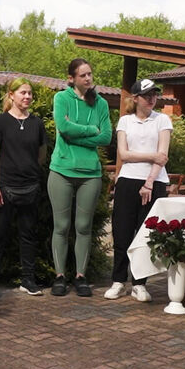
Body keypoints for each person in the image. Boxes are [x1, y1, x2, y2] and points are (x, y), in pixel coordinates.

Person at [48, 58, 112, 297]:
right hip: (61, 171)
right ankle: (60, 276)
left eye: (90, 74)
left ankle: (80, 277)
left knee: (84, 227)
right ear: (71, 79)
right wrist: (90, 131)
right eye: (83, 75)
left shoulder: (102, 104)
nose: (88, 78)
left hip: (91, 175)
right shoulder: (61, 99)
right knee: (61, 227)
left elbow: (106, 137)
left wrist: (77, 133)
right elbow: (63, 129)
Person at [105, 79, 172, 303]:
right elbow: (124, 155)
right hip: (127, 181)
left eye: (154, 94)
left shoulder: (163, 119)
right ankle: (118, 281)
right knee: (122, 231)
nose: (152, 98)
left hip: (154, 182)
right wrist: (151, 155)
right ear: (135, 99)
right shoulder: (125, 121)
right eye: (147, 95)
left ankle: (139, 283)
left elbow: (163, 155)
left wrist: (149, 182)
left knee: (145, 234)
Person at [0, 78, 46, 295]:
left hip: (31, 188)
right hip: (5, 188)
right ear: (11, 95)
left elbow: (41, 155)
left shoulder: (37, 124)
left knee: (28, 235)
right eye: (23, 93)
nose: (28, 97)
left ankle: (28, 281)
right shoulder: (0, 122)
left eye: (30, 93)